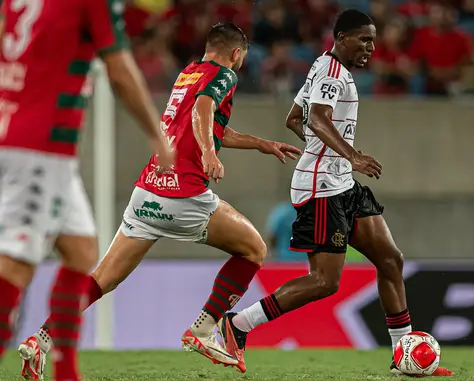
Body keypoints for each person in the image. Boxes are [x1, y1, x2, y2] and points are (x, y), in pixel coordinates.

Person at [17, 22, 301, 378]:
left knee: (102, 278)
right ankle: (203, 328)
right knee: (254, 249)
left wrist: (261, 143)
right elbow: (203, 111)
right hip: (183, 195)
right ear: (237, 53)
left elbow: (206, 123)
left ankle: (40, 341)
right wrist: (210, 155)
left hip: (147, 191)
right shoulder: (225, 75)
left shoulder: (187, 73)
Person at [217, 10, 453, 376]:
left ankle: (401, 355)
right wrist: (350, 155)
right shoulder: (330, 74)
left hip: (341, 181)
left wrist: (327, 153)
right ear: (341, 38)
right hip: (321, 188)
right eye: (363, 40)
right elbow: (316, 118)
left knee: (390, 259)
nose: (370, 48)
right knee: (325, 282)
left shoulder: (324, 67)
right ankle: (237, 325)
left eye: (373, 41)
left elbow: (294, 118)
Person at [0, 0, 174, 380]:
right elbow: (120, 69)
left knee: (81, 251)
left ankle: (67, 374)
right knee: (15, 265)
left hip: (23, 134)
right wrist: (155, 132)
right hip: (40, 148)